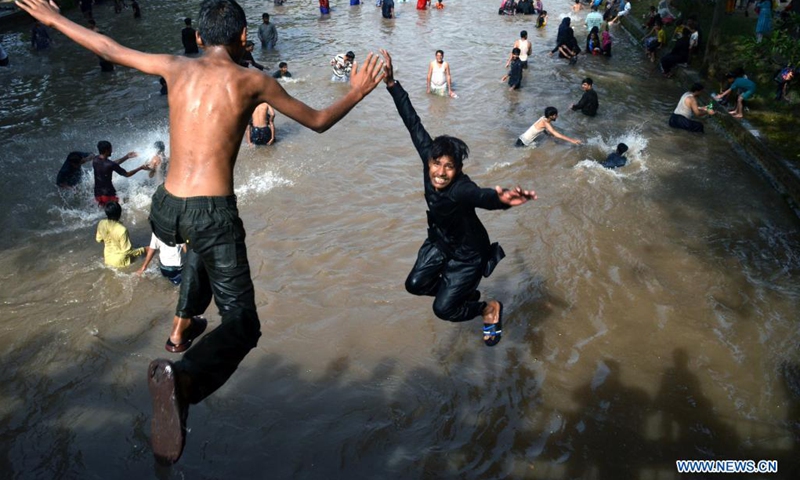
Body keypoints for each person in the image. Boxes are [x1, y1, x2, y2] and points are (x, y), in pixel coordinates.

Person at [15, 0, 385, 465]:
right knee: (244, 324)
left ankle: (184, 325)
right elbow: (318, 121)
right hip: (211, 212)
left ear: (198, 37)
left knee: (199, 250)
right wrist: (358, 89)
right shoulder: (254, 81)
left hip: (165, 209)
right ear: (243, 35)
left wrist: (53, 19)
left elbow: (108, 46)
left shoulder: (174, 65)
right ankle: (185, 379)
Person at [380, 49, 536, 348]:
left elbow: (482, 196)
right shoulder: (430, 158)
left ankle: (487, 308)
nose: (440, 173)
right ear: (430, 161)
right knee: (415, 285)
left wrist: (503, 199)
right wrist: (391, 84)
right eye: (436, 165)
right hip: (440, 241)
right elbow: (413, 122)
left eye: (448, 167)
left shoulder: (460, 188)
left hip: (468, 253)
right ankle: (462, 293)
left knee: (443, 309)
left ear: (457, 169)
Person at [92, 141, 148, 206]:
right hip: (108, 195)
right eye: (110, 149)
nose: (111, 151)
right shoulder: (110, 164)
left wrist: (126, 157)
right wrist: (140, 168)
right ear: (106, 150)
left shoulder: (95, 160)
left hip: (97, 194)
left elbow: (110, 164)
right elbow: (127, 174)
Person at [96, 201, 148, 268]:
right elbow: (127, 252)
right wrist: (144, 249)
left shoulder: (101, 223)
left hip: (108, 259)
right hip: (120, 262)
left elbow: (98, 239)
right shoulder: (122, 230)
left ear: (107, 213)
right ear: (120, 213)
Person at [516, 107, 581, 146]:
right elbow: (557, 134)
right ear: (551, 116)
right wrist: (572, 140)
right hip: (523, 143)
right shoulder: (546, 123)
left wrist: (549, 135)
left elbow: (544, 129)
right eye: (556, 115)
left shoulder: (543, 118)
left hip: (521, 139)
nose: (557, 116)